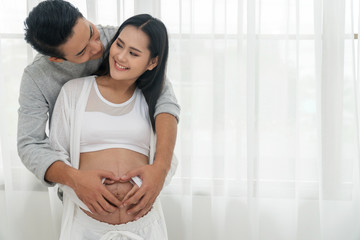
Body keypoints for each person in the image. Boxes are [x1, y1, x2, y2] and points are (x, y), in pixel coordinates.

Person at [18, 0, 179, 219]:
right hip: (82, 206)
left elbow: (164, 96)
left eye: (91, 32)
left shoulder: (117, 41)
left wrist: (160, 169)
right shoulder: (37, 79)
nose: (98, 47)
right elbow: (30, 144)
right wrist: (75, 179)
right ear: (56, 58)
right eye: (83, 50)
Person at [50, 13, 174, 239]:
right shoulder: (74, 92)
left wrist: (149, 185)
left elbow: (168, 160)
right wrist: (80, 189)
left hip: (144, 226)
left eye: (134, 53)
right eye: (119, 44)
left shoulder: (153, 102)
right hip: (87, 227)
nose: (121, 56)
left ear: (152, 62)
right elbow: (57, 152)